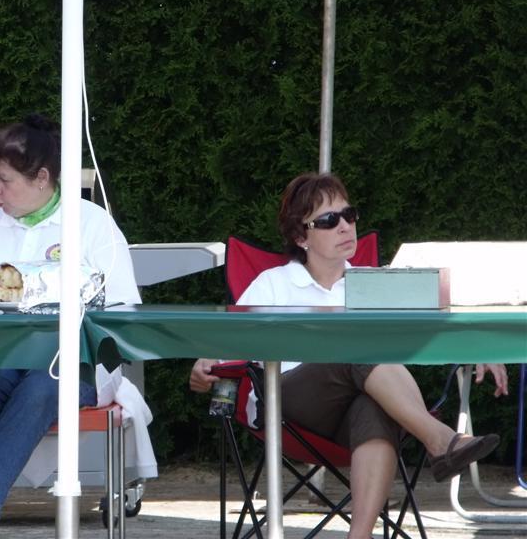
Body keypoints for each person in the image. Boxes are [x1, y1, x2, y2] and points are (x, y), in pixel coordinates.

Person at [189, 172, 508, 539]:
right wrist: (205, 361)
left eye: (349, 215)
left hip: (347, 417)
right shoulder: (274, 284)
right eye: (328, 220)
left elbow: (433, 328)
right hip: (287, 405)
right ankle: (439, 439)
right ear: (301, 237)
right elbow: (227, 339)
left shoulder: (374, 285)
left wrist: (479, 350)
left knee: (373, 409)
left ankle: (360, 535)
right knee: (354, 346)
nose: (344, 226)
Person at [0, 113, 143, 539]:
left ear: (42, 178)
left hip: (76, 363)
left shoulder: (91, 224)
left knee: (41, 389)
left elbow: (124, 307)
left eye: (3, 180)